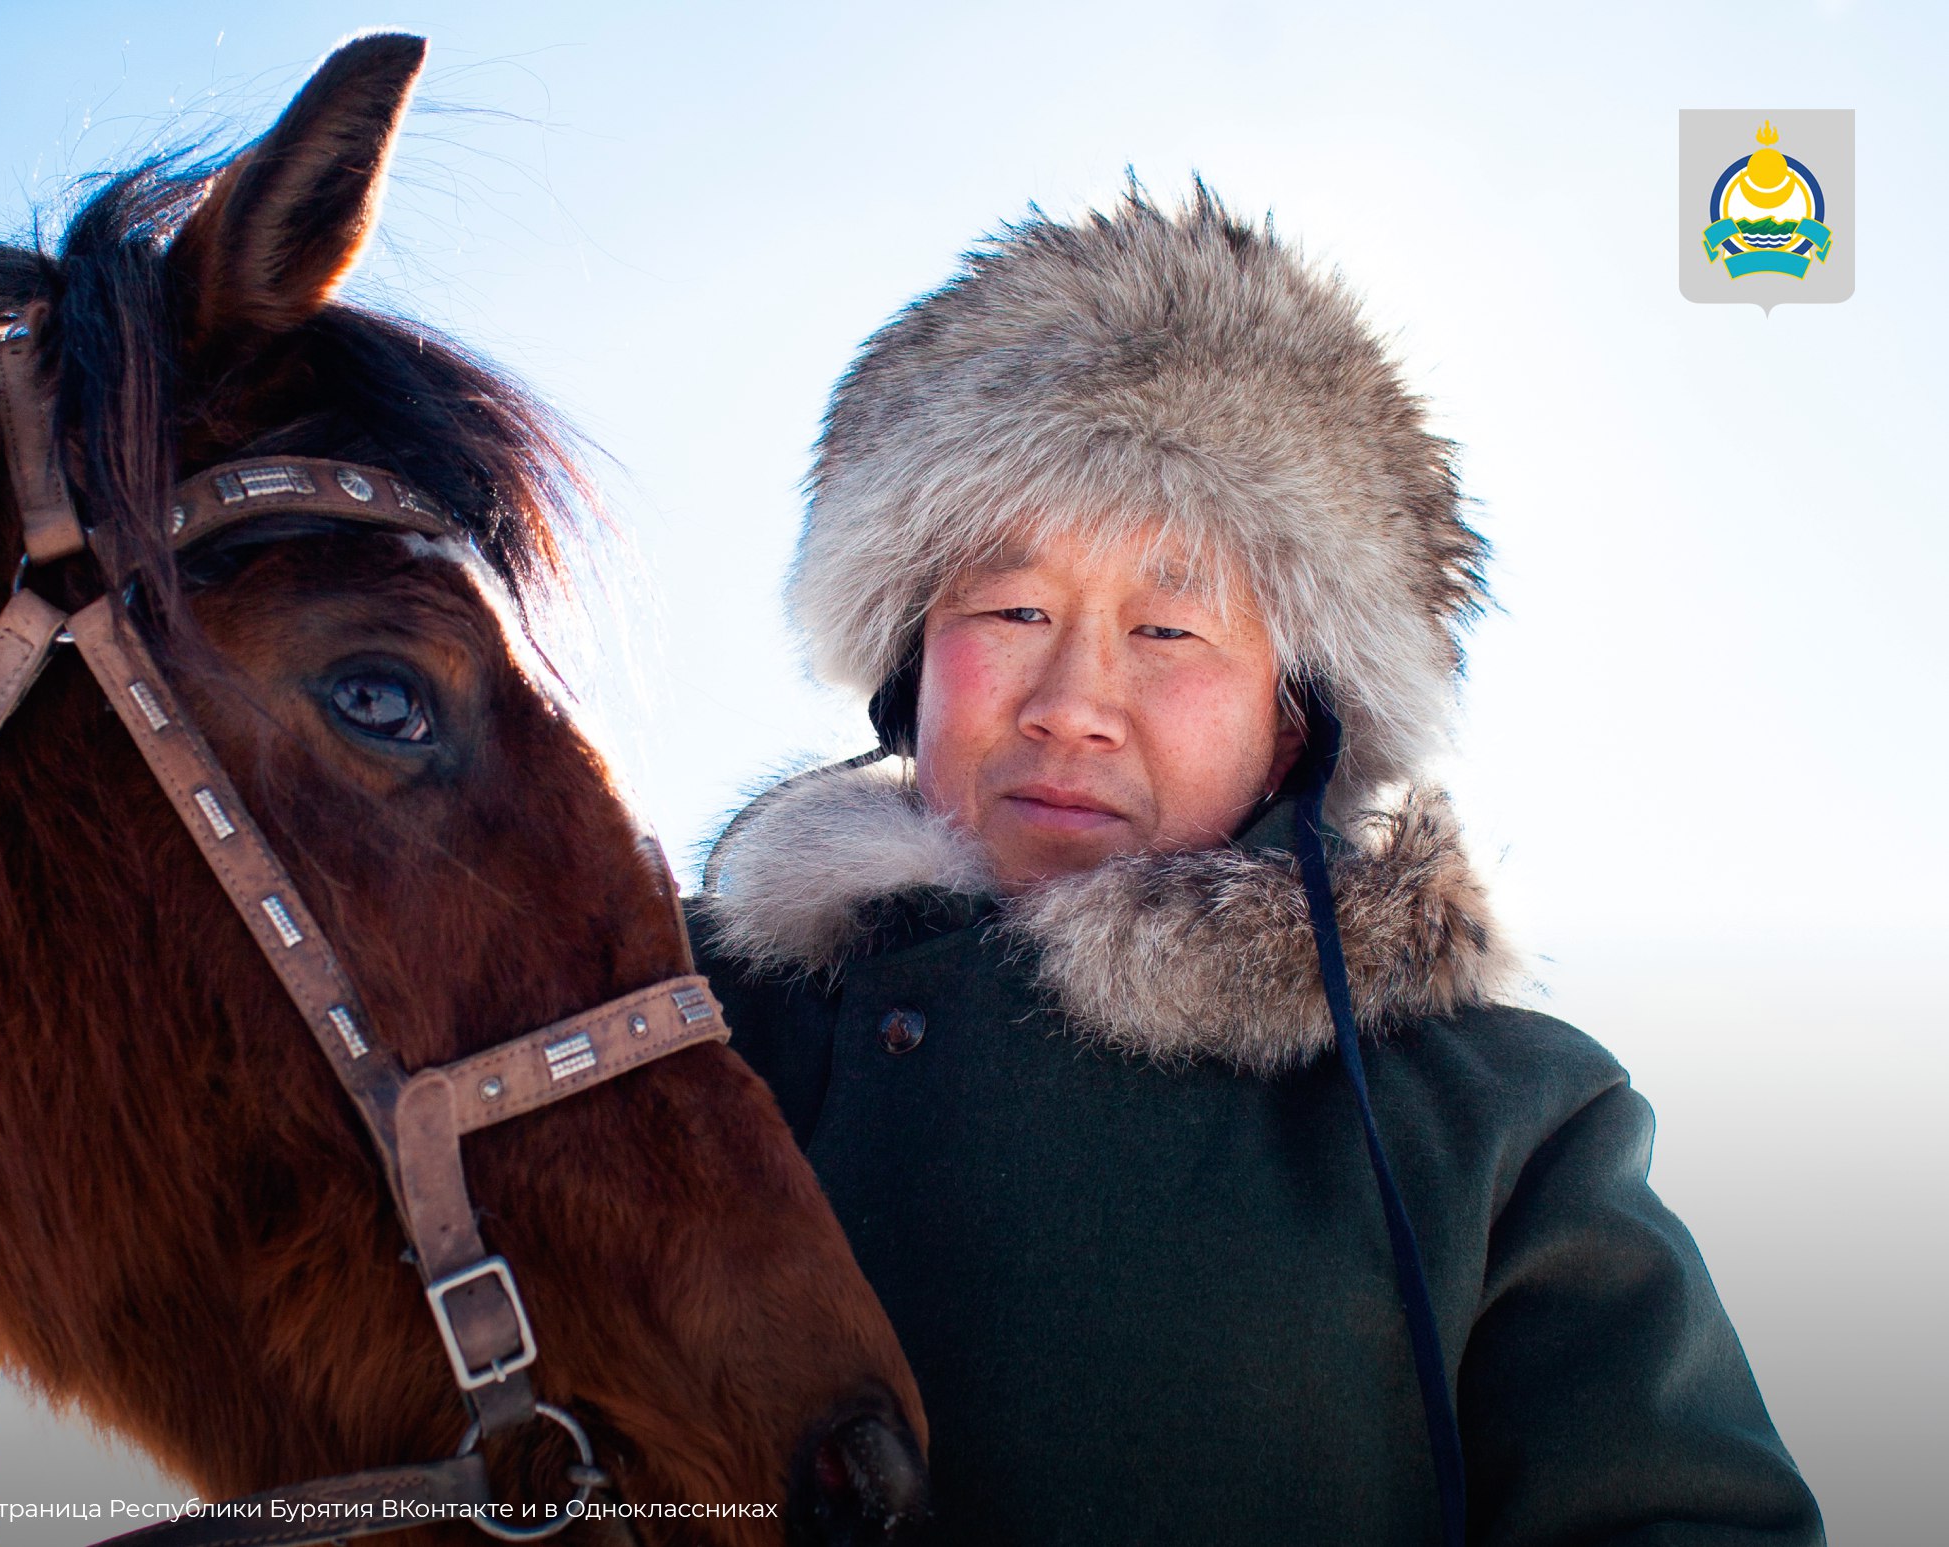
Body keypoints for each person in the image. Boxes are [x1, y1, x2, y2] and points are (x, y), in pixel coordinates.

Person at [692, 188, 1824, 1545]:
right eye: (1011, 609)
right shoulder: (666, 1019)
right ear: (908, 661)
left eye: (1169, 630)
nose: (1073, 700)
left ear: (1296, 717)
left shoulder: (1497, 1123)